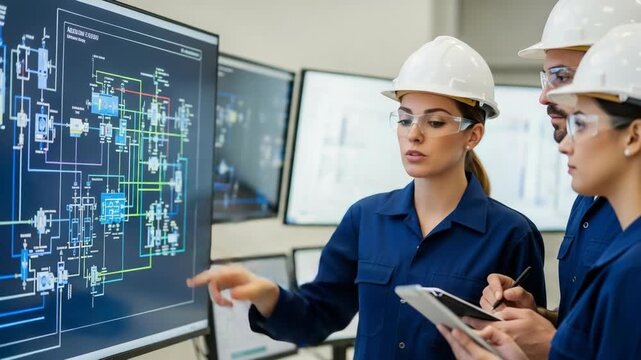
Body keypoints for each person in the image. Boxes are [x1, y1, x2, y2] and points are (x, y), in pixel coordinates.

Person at [187, 36, 547, 359]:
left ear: (473, 135)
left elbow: (526, 346)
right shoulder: (366, 218)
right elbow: (315, 318)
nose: (414, 135)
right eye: (405, 120)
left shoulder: (512, 234)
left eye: (434, 122)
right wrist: (266, 293)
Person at [441, 22, 641, 359]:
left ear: (633, 135)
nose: (565, 145)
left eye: (582, 122)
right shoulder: (595, 213)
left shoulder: (632, 265)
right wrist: (544, 325)